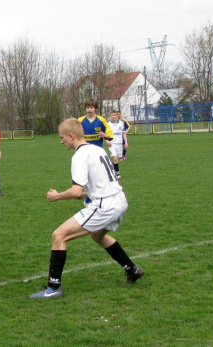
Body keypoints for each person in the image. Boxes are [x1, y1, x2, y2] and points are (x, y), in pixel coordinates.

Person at [29, 118, 144, 299]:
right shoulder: (97, 149)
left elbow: (76, 191)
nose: (61, 141)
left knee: (59, 235)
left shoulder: (79, 156)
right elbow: (100, 183)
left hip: (104, 205)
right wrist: (85, 194)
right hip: (119, 200)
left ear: (71, 136)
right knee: (97, 235)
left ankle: (53, 287)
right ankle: (132, 269)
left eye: (62, 138)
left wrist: (56, 196)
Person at [107, 110, 125, 179]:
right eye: (112, 115)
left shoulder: (121, 123)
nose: (113, 117)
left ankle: (110, 167)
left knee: (117, 158)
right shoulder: (108, 124)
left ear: (117, 116)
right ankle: (117, 173)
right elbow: (106, 134)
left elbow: (123, 133)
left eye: (115, 115)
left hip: (119, 143)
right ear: (110, 116)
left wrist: (125, 142)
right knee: (115, 158)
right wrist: (107, 141)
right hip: (112, 144)